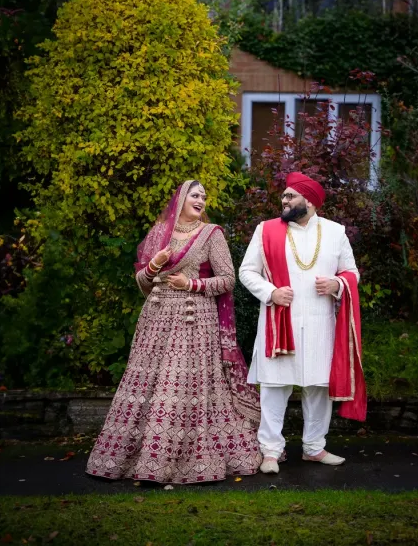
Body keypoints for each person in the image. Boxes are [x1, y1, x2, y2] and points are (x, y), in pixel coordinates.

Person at [86, 180, 261, 484]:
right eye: (195, 195)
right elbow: (142, 281)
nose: (201, 200)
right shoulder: (159, 233)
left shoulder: (211, 234)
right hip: (155, 319)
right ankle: (139, 460)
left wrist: (191, 284)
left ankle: (189, 461)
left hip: (195, 321)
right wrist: (152, 267)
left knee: (181, 386)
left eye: (204, 197)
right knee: (144, 385)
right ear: (181, 199)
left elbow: (228, 280)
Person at [239, 172, 366, 474]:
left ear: (309, 200)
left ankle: (314, 448)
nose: (283, 201)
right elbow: (246, 271)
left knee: (318, 388)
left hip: (321, 324)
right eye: (283, 196)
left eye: (290, 196)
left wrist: (337, 284)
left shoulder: (335, 232)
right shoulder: (266, 230)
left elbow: (352, 272)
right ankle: (270, 451)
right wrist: (271, 292)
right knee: (274, 386)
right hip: (278, 322)